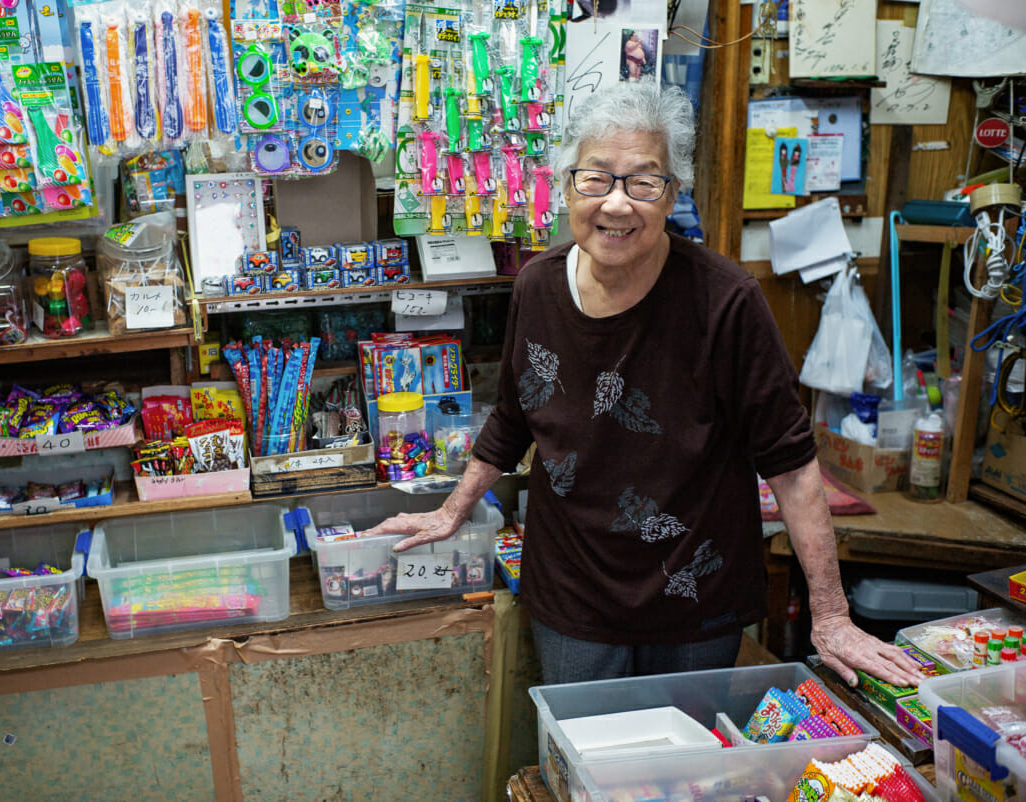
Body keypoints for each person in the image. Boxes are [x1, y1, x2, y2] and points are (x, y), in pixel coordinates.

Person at [363, 81, 924, 690]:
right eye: (596, 177)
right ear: (568, 185)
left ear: (671, 195)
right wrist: (452, 509)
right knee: (583, 764)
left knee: (681, 775)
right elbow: (513, 418)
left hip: (694, 592)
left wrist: (833, 616)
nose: (617, 204)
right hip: (573, 588)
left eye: (643, 182)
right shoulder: (536, 286)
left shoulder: (726, 300)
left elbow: (790, 465)